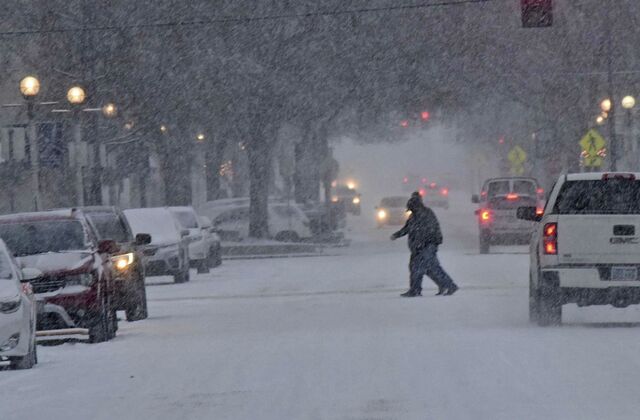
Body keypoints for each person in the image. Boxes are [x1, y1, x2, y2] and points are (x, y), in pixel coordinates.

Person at [391, 192, 458, 297]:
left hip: (426, 246)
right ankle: (443, 285)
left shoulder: (425, 214)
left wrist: (423, 244)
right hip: (420, 247)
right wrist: (397, 235)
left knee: (425, 268)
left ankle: (447, 286)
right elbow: (407, 229)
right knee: (426, 268)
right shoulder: (414, 216)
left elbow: (429, 230)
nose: (411, 211)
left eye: (411, 209)